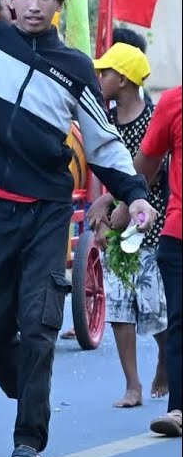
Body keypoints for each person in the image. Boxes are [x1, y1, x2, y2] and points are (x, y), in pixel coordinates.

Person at [0, 0, 155, 457]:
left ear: (59, 5)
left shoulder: (76, 66)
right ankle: (22, 381)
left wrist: (135, 192)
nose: (34, 6)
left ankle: (28, 436)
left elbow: (104, 143)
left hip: (48, 208)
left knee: (38, 324)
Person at [84, 43, 169, 407]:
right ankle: (132, 385)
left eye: (104, 73)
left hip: (154, 221)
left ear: (123, 80)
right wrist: (106, 209)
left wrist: (113, 201)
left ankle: (166, 363)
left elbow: (151, 171)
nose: (98, 78)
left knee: (155, 308)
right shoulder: (103, 120)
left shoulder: (154, 118)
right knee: (118, 305)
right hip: (118, 224)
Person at [134, 86, 182, 437]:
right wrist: (122, 201)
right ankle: (179, 408)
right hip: (179, 234)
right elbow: (147, 163)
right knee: (180, 320)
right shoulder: (174, 101)